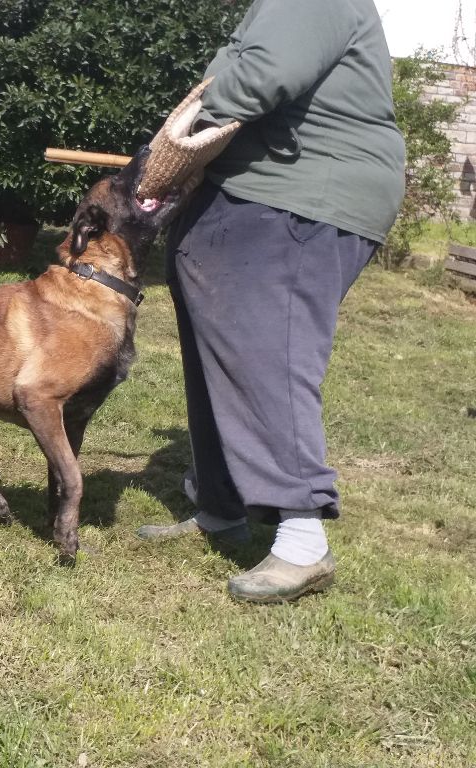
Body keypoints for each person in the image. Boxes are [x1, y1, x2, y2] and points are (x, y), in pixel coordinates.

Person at [136, 0, 406, 603]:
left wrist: (173, 143)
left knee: (267, 355)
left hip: (298, 197)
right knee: (221, 356)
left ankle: (303, 539)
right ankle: (220, 508)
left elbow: (262, 74)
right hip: (259, 191)